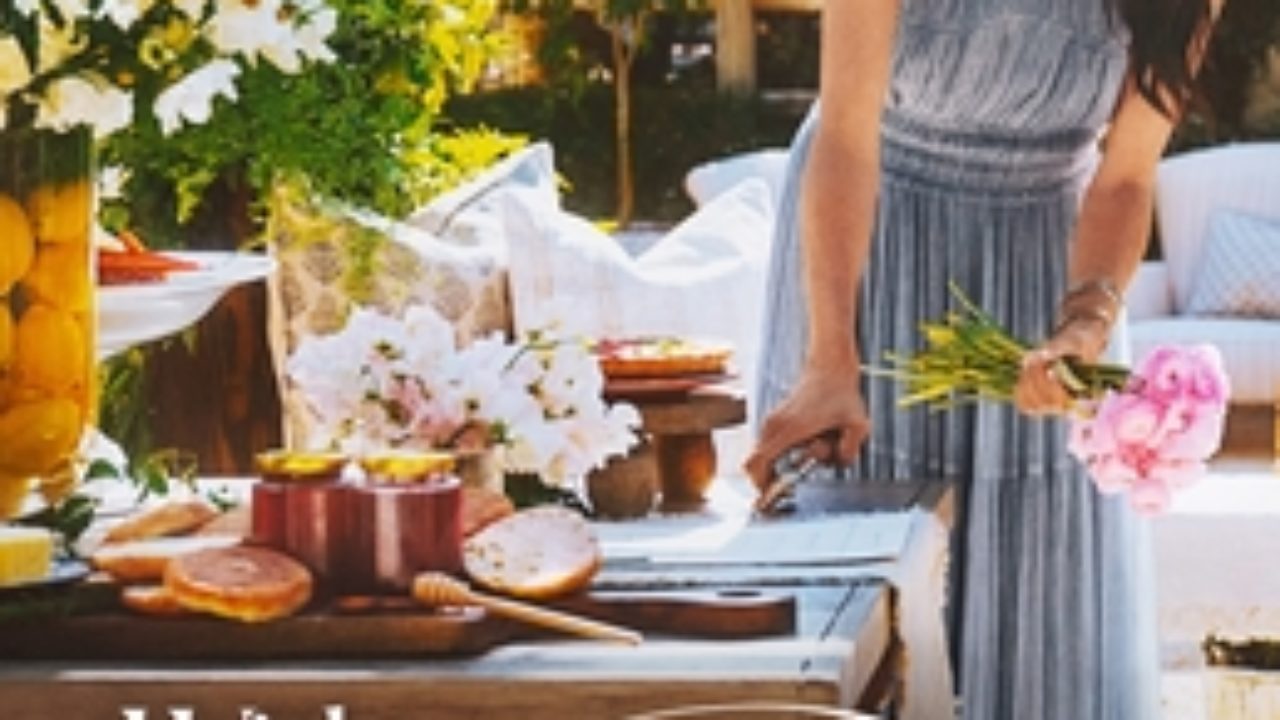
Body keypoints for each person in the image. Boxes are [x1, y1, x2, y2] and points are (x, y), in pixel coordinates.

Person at [745, 0, 1221, 718]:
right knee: (866, 596)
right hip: (871, 251)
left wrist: (1081, 328)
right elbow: (845, 135)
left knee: (1039, 598)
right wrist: (830, 360)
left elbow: (1125, 177)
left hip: (1048, 271)